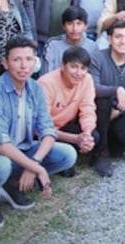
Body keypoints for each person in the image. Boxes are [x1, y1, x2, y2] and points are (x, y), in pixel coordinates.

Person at [0, 36, 77, 230]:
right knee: (1, 164)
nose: (24, 66)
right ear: (5, 63)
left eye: (29, 59)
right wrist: (38, 169)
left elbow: (48, 131)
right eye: (17, 60)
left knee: (68, 155)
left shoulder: (34, 88)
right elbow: (0, 145)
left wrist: (34, 163)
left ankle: (11, 184)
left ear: (35, 62)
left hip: (20, 151)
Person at [89, 21, 125, 177]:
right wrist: (117, 90)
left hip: (120, 110)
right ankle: (101, 152)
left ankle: (111, 139)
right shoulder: (97, 58)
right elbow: (92, 88)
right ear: (109, 39)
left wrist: (118, 111)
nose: (123, 41)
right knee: (104, 100)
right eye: (118, 37)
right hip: (96, 110)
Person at [39, 46, 97, 176]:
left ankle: (67, 157)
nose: (79, 73)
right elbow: (40, 126)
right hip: (44, 132)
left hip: (64, 126)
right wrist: (75, 139)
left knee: (94, 136)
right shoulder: (46, 83)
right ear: (63, 66)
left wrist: (86, 134)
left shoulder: (86, 79)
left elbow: (88, 108)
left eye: (83, 68)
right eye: (74, 67)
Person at [40, 5, 99, 74]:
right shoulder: (52, 45)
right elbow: (45, 75)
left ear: (85, 26)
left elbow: (94, 76)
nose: (74, 29)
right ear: (63, 26)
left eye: (79, 24)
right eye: (70, 24)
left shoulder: (93, 47)